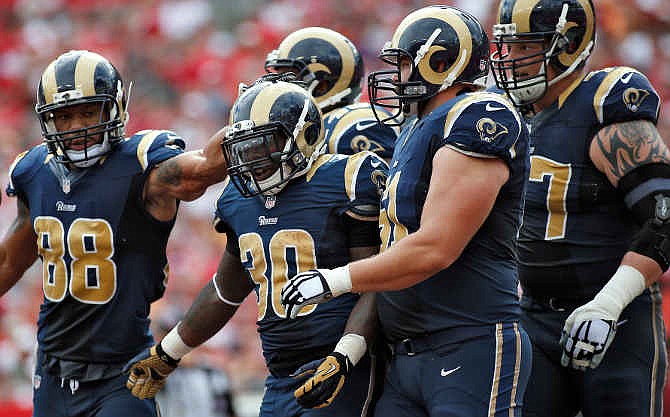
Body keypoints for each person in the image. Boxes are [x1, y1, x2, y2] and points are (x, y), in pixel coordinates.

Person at [280, 5, 532, 417]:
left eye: (402, 64)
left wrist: (334, 280)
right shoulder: (415, 128)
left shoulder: (477, 115)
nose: (393, 76)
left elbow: (435, 248)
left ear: (440, 63)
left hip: (469, 341)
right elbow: (396, 251)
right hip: (407, 354)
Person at [123, 75, 389, 417]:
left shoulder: (347, 178)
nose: (254, 156)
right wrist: (168, 353)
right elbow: (225, 291)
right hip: (279, 376)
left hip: (344, 368)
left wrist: (344, 356)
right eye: (247, 145)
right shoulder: (238, 199)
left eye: (266, 143)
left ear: (304, 135)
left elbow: (376, 283)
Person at [0, 49, 229, 417]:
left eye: (88, 112)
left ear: (115, 108)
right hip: (52, 371)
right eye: (64, 116)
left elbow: (202, 169)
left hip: (121, 375)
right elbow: (11, 259)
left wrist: (255, 120)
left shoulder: (141, 166)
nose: (76, 127)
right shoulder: (34, 172)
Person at [489, 1, 668, 416]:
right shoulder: (512, 115)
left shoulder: (602, 108)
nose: (509, 59)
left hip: (616, 320)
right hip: (533, 318)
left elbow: (664, 215)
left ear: (567, 45)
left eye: (524, 47)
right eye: (507, 47)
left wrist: (608, 303)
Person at [265, 26, 399, 162]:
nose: (279, 86)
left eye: (288, 78)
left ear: (322, 86)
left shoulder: (352, 125)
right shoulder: (298, 129)